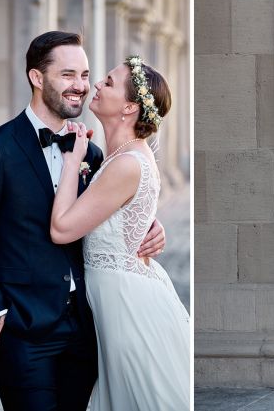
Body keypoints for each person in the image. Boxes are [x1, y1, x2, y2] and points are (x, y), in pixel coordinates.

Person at [0, 31, 165, 410]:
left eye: (85, 75)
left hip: (87, 329)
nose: (80, 86)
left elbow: (111, 211)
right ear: (37, 77)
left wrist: (150, 225)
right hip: (23, 331)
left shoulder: (93, 154)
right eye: (67, 75)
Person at [49, 55, 189, 410]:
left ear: (129, 107)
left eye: (109, 82)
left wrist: (71, 162)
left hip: (126, 304)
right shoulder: (118, 157)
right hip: (112, 296)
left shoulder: (126, 163)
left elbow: (62, 229)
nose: (97, 84)